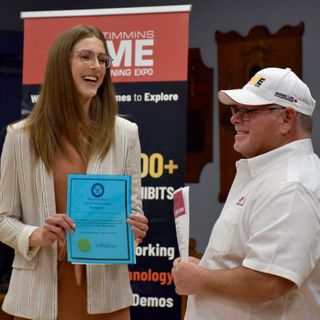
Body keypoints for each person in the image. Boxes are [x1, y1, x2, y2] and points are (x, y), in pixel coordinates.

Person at [0, 25, 148, 320]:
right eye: (86, 56)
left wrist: (135, 230)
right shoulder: (20, 137)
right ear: (61, 63)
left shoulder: (126, 134)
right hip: (36, 299)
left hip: (107, 299)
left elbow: (132, 212)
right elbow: (3, 219)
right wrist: (37, 234)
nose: (96, 66)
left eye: (103, 59)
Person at [172, 67, 320, 319]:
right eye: (234, 110)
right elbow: (247, 261)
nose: (234, 119)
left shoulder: (291, 185)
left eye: (248, 111)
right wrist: (208, 269)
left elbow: (270, 281)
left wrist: (202, 279)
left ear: (287, 119)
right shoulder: (266, 173)